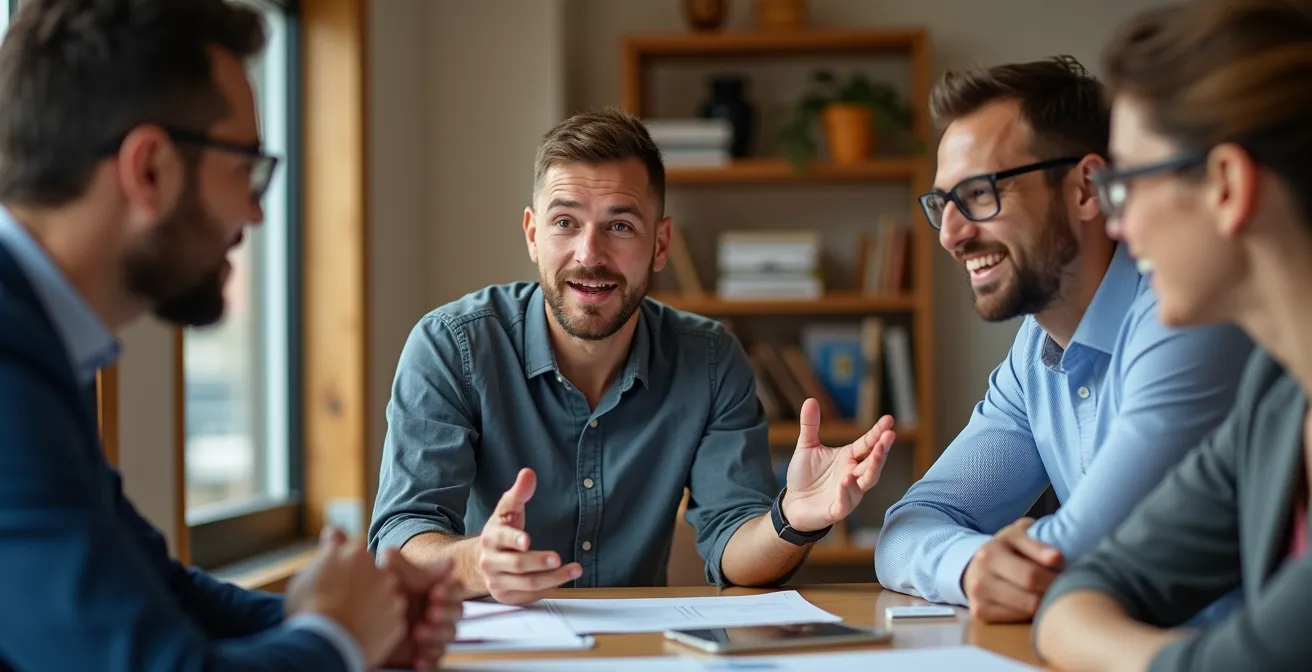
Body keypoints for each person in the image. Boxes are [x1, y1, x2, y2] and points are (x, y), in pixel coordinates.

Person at [0, 1, 458, 670]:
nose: (256, 210)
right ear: (150, 168)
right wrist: (336, 637)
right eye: (246, 167)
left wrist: (365, 615)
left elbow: (153, 594)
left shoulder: (36, 342)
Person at [368, 107, 897, 605]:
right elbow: (400, 538)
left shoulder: (711, 361)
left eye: (619, 226)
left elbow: (735, 551)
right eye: (565, 223)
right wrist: (476, 563)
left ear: (661, 244)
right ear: (533, 234)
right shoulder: (449, 347)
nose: (589, 254)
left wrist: (793, 518)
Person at [873, 54, 1255, 622]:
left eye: (979, 194)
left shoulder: (1181, 318)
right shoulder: (1034, 353)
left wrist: (998, 567)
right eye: (942, 204)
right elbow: (909, 525)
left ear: (1085, 189)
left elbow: (1077, 555)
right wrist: (971, 566)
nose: (951, 235)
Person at [1034, 1, 1312, 669]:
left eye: (1125, 184)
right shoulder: (1275, 397)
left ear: (1225, 185)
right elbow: (1078, 589)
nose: (1116, 225)